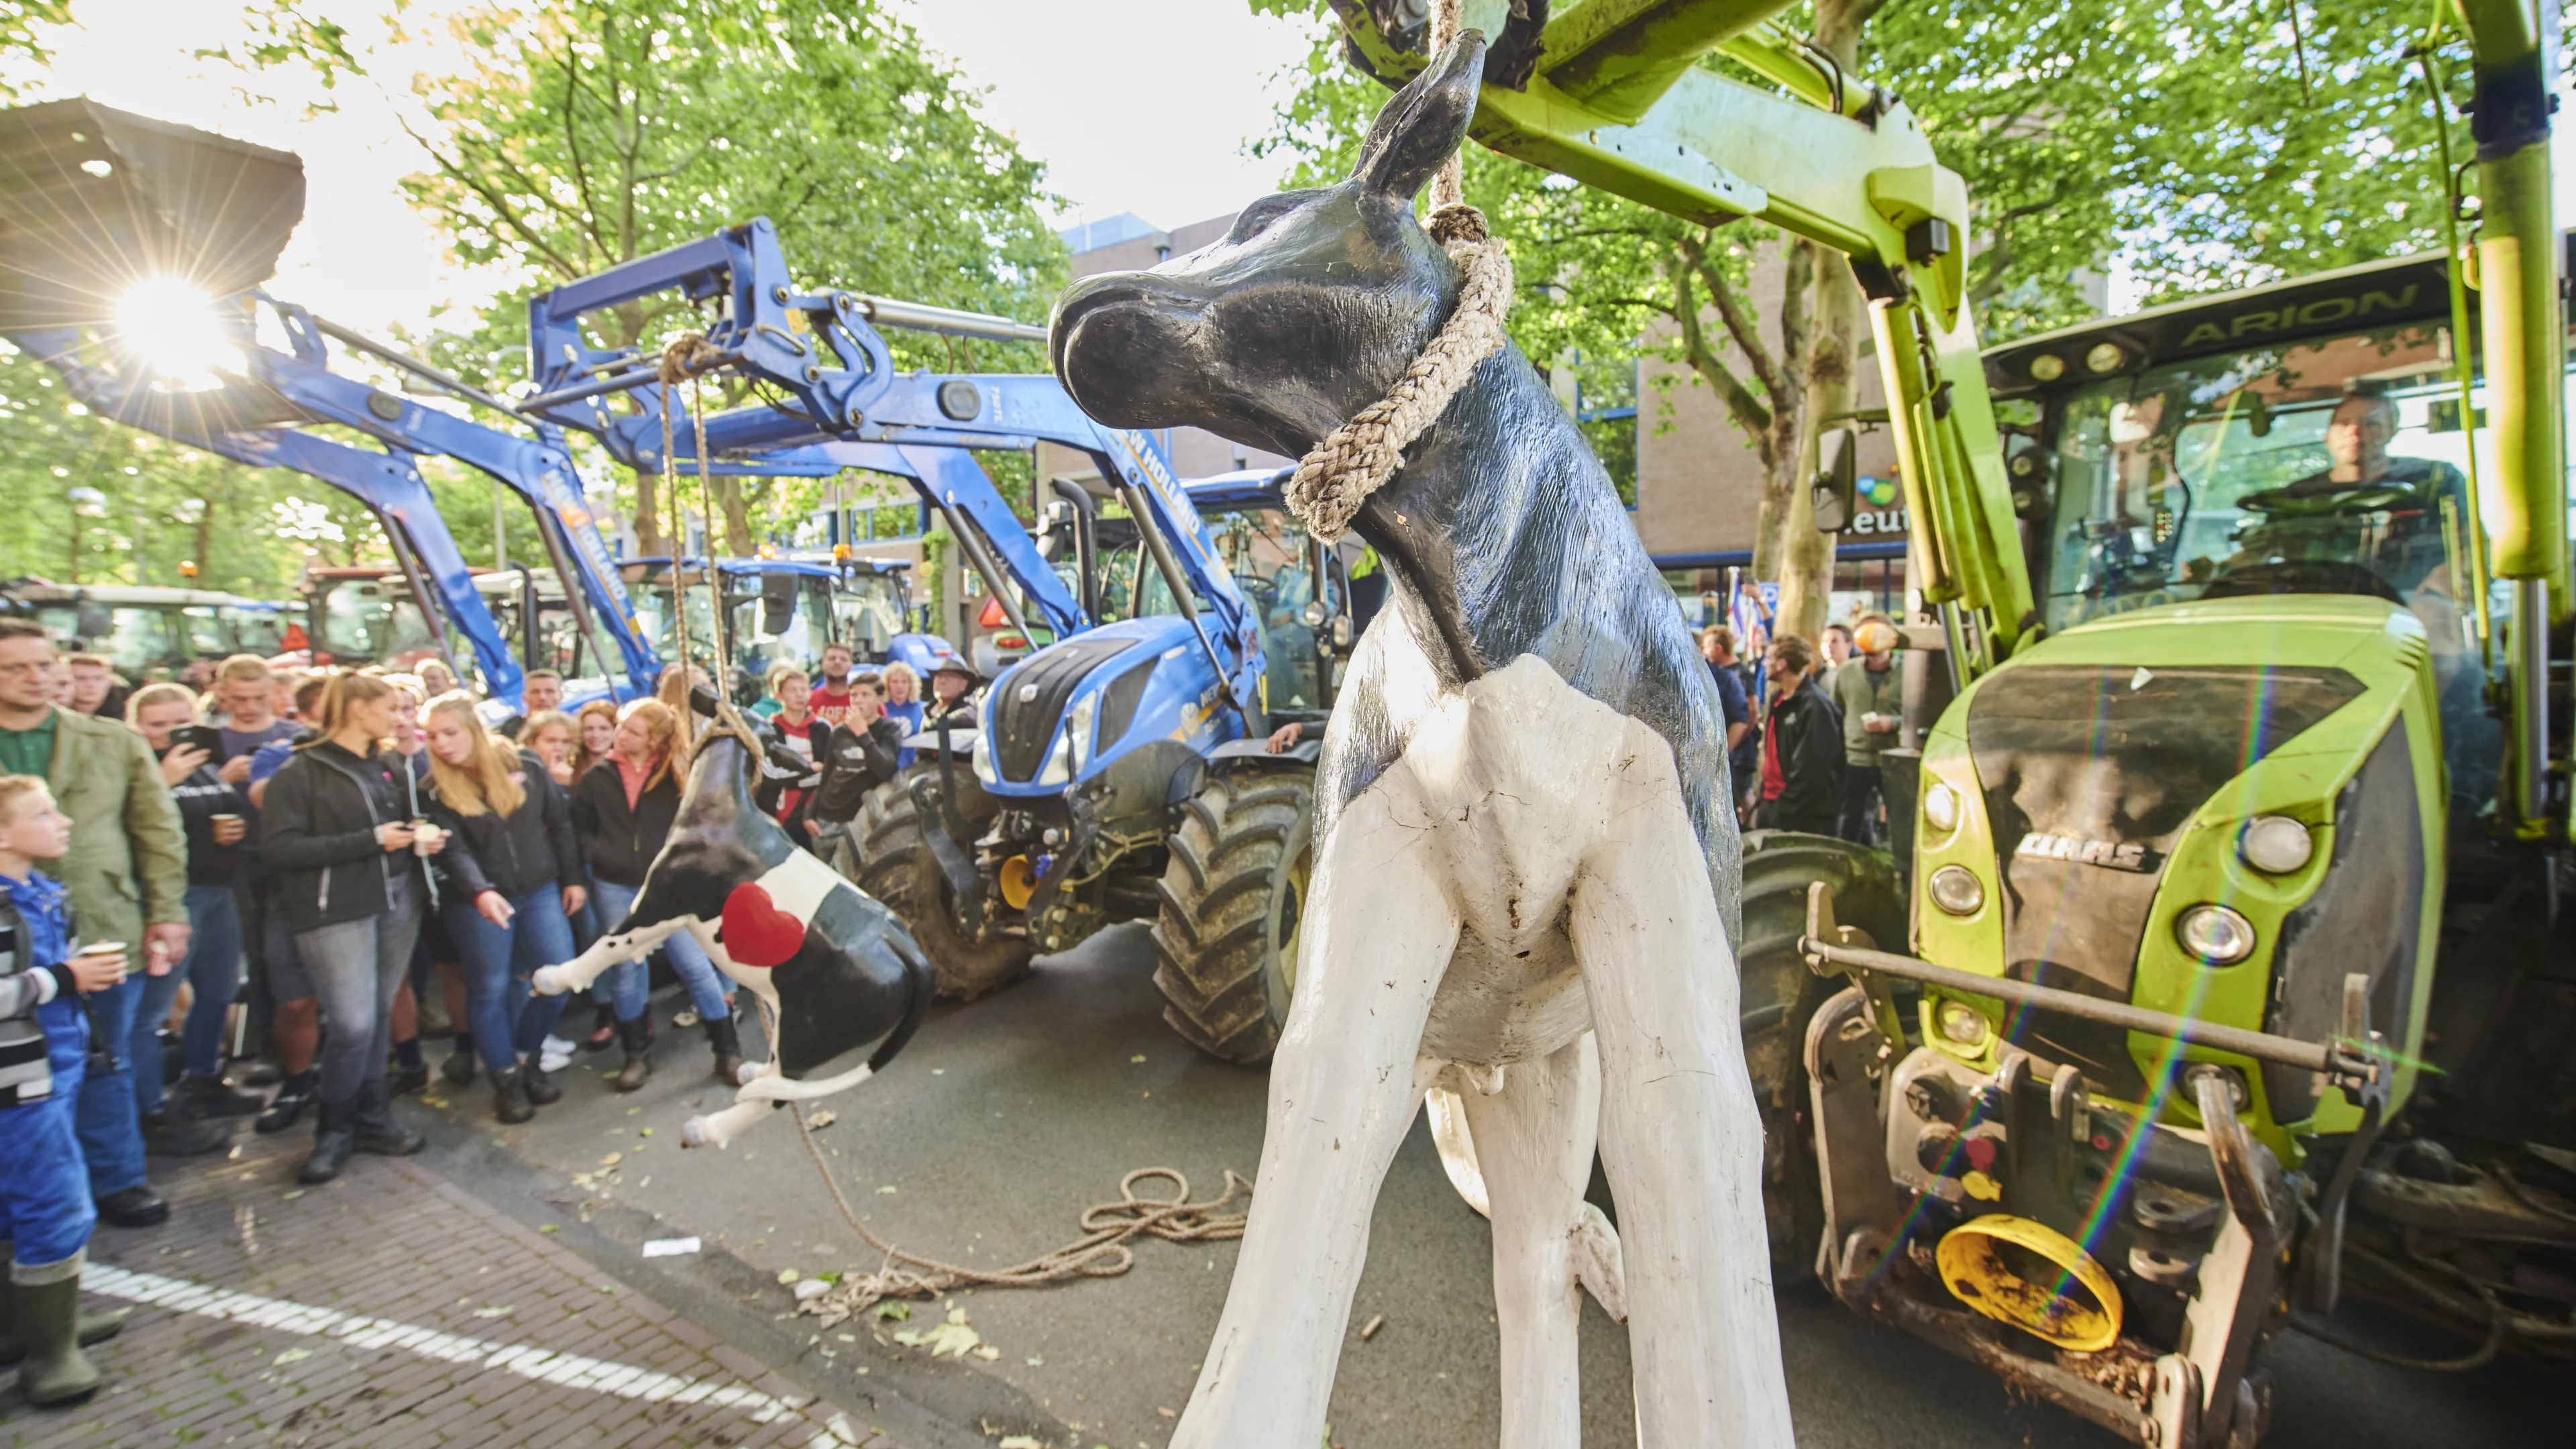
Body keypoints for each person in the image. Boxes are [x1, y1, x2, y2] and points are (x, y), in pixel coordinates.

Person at [0, 620, 195, 1229]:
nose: (35, 678)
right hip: (10, 936)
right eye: (16, 668)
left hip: (102, 919)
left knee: (105, 1057)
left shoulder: (111, 739)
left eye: (42, 665)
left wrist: (166, 911)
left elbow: (157, 829)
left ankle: (117, 1177)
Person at [258, 673, 437, 1184]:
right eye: (389, 708)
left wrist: (417, 838)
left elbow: (392, 828)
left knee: (376, 1012)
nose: (399, 718)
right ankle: (334, 1130)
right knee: (354, 1021)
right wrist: (373, 839)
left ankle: (373, 1117)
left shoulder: (382, 765)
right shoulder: (301, 773)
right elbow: (282, 849)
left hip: (397, 898)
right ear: (357, 709)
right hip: (336, 909)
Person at [0, 776, 132, 1405]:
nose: (64, 822)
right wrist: (64, 976)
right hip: (20, 1079)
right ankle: (50, 1358)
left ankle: (25, 1326)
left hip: (53, 1064)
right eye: (44, 813)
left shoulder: (36, 892)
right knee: (54, 1204)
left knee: (16, 1199)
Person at [419, 692, 584, 1125]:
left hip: (540, 889)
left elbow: (560, 824)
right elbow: (452, 851)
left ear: (473, 728)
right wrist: (479, 891)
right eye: (432, 736)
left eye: (449, 733)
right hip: (476, 900)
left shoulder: (525, 764)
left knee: (560, 976)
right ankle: (506, 1079)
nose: (441, 744)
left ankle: (527, 1055)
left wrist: (573, 879)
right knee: (491, 987)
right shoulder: (433, 787)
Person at [570, 699, 743, 1090]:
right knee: (626, 969)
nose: (620, 735)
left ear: (655, 740)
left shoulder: (677, 777)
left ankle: (727, 1050)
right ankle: (636, 1055)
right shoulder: (598, 777)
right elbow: (579, 827)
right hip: (614, 883)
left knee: (694, 965)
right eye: (622, 727)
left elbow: (706, 820)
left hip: (666, 885)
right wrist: (595, 854)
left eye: (633, 730)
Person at [123, 685, 263, 1140]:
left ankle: (203, 1079)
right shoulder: (137, 766)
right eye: (157, 724)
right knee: (152, 1010)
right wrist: (162, 779)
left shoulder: (203, 762)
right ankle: (150, 1111)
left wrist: (232, 828)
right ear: (138, 727)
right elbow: (125, 826)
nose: (170, 732)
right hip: (172, 896)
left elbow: (210, 815)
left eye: (179, 722)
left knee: (219, 990)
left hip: (218, 889)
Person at [1755, 634, 1844, 836]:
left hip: (1801, 814)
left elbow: (1812, 766)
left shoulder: (1814, 705)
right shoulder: (1777, 699)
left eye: (1769, 658)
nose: (1764, 663)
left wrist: (1785, 806)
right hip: (1772, 803)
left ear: (1782, 664)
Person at [1829, 616, 1903, 847]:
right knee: (1849, 820)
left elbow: (1924, 713)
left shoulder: (1909, 671)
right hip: (1855, 758)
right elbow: (1836, 712)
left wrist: (1892, 723)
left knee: (1900, 821)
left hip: (1894, 758)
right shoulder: (1847, 672)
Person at [809, 643, 857, 727]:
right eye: (832, 658)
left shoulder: (867, 700)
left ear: (851, 666)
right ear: (822, 664)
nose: (837, 662)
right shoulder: (808, 700)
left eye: (843, 659)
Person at [64, 655, 126, 720]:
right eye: (80, 678)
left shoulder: (128, 715)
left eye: (98, 678)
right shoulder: (56, 713)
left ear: (109, 681)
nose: (90, 684)